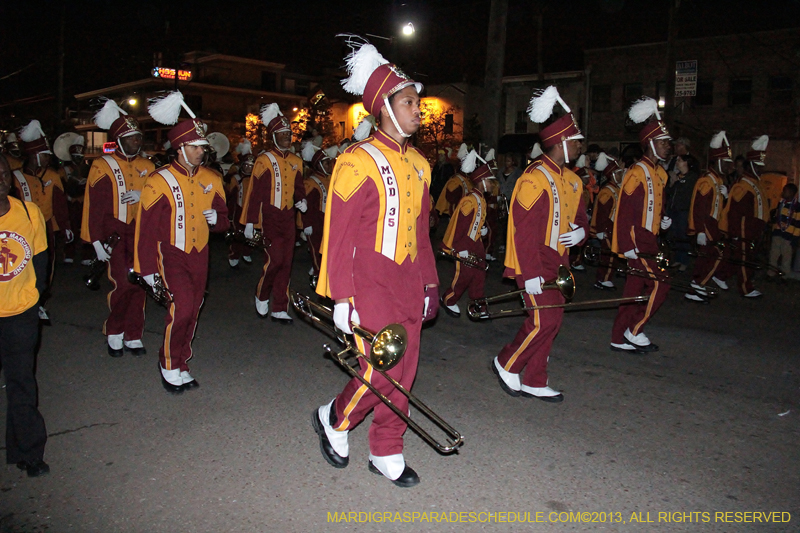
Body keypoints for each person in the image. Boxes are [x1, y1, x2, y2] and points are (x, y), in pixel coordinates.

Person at [312, 37, 438, 487]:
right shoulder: (356, 160)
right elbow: (338, 235)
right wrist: (341, 297)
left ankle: (387, 448)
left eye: (418, 102)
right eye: (409, 102)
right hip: (368, 278)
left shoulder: (421, 164)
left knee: (406, 368)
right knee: (380, 367)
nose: (418, 110)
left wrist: (430, 284)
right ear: (384, 107)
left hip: (408, 278)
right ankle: (336, 417)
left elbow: (422, 232)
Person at [493, 85, 588, 403]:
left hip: (560, 263)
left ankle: (535, 379)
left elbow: (581, 218)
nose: (580, 146)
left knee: (553, 322)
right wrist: (530, 272)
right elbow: (523, 232)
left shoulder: (573, 179)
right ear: (561, 142)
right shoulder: (533, 178)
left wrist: (581, 233)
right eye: (576, 140)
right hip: (533, 261)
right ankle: (506, 361)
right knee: (541, 320)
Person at [135, 91, 230, 393]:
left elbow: (225, 220)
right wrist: (146, 269)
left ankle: (181, 361)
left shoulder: (213, 178)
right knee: (183, 307)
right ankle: (167, 362)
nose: (202, 151)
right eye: (195, 146)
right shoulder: (158, 180)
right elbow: (146, 229)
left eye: (203, 147)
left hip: (200, 253)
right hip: (171, 252)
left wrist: (217, 220)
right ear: (180, 148)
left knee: (195, 308)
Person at [83, 99, 155, 356]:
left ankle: (134, 334)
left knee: (140, 283)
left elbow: (159, 200)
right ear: (120, 139)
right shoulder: (103, 165)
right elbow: (95, 205)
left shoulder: (148, 166)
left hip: (141, 233)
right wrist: (95, 241)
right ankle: (114, 330)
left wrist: (143, 195)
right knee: (123, 284)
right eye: (132, 137)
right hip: (114, 233)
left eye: (139, 137)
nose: (137, 141)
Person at [0, 153, 50, 477]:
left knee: (21, 385)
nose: (1, 179)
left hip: (20, 315)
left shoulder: (30, 214)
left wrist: (34, 301)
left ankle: (28, 452)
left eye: (4, 173)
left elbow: (41, 262)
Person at [609, 97, 672, 353]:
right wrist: (627, 244)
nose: (668, 147)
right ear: (651, 144)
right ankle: (634, 330)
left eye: (668, 142)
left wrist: (663, 220)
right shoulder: (636, 172)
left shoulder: (659, 173)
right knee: (660, 283)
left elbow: (653, 205)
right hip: (637, 238)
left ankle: (617, 336)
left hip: (650, 237)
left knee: (633, 289)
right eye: (663, 142)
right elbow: (625, 211)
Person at [240, 103, 306, 324]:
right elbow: (255, 192)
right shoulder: (264, 160)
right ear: (274, 137)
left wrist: (302, 201)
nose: (287, 137)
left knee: (286, 263)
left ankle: (280, 307)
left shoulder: (297, 161)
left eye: (289, 134)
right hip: (270, 216)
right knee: (275, 260)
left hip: (288, 218)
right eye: (283, 134)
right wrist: (250, 221)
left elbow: (299, 188)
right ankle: (261, 294)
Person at [13, 120, 72, 311]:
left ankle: (41, 302)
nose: (48, 159)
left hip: (46, 228)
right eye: (45, 155)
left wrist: (65, 227)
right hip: (21, 230)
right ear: (34, 155)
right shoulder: (15, 178)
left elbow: (60, 205)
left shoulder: (53, 176)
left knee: (46, 266)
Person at [717, 136, 770, 298]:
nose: (761, 169)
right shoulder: (744, 185)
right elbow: (735, 212)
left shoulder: (755, 183)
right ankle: (746, 288)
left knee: (741, 258)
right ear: (751, 166)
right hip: (744, 230)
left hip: (753, 229)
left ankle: (720, 275)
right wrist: (735, 234)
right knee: (745, 259)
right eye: (758, 166)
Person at [439, 150, 490, 318]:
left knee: (479, 275)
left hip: (476, 243)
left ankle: (477, 306)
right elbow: (460, 226)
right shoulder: (470, 200)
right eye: (489, 181)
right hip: (465, 244)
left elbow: (476, 220)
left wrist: (482, 229)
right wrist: (460, 248)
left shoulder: (480, 198)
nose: (492, 184)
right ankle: (448, 299)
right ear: (482, 182)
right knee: (464, 276)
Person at [686, 131, 733, 300]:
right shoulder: (707, 180)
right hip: (706, 223)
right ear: (718, 161)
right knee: (716, 254)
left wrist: (725, 197)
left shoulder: (718, 180)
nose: (728, 167)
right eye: (725, 162)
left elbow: (717, 207)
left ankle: (699, 285)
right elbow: (699, 207)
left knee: (708, 256)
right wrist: (700, 230)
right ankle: (698, 285)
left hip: (713, 223)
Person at [300, 142, 337, 287]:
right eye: (326, 163)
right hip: (316, 222)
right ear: (319, 165)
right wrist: (307, 224)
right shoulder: (312, 183)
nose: (329, 166)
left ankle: (320, 270)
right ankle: (317, 273)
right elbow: (307, 207)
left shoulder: (330, 178)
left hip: (328, 221)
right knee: (316, 248)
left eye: (329, 162)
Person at [54, 132, 90, 265]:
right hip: (69, 203)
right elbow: (60, 186)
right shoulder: (63, 170)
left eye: (80, 156)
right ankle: (69, 253)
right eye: (75, 156)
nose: (78, 159)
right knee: (70, 229)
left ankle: (86, 254)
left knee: (86, 229)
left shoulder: (88, 169)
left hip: (84, 203)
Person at [664, 137, 700, 271]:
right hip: (674, 209)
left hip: (683, 211)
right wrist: (672, 183)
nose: (677, 162)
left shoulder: (692, 178)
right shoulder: (679, 176)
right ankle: (677, 258)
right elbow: (670, 191)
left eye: (680, 161)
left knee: (683, 235)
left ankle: (684, 261)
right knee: (675, 235)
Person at [591, 152, 624, 290]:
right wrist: (600, 230)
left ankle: (606, 278)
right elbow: (602, 213)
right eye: (619, 174)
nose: (621, 176)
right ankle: (603, 279)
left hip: (613, 227)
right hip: (607, 228)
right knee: (609, 255)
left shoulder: (616, 189)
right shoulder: (607, 191)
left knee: (611, 255)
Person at [226, 140, 255, 268]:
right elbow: (231, 197)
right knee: (237, 233)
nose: (248, 168)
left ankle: (247, 252)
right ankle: (234, 255)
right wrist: (230, 215)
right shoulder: (236, 178)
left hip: (251, 209)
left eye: (251, 166)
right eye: (246, 165)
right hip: (238, 209)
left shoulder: (256, 179)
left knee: (251, 234)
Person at [767, 183, 799, 280]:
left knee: (786, 257)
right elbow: (777, 217)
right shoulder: (781, 203)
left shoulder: (797, 207)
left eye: (785, 191)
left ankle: (784, 276)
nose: (783, 193)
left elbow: (798, 224)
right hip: (778, 232)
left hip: (789, 236)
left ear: (792, 193)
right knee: (774, 254)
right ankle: (771, 273)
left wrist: (795, 238)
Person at [434, 143, 470, 217]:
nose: (440, 156)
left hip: (443, 193)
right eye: (440, 155)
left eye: (442, 155)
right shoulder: (436, 166)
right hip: (435, 194)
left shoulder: (449, 168)